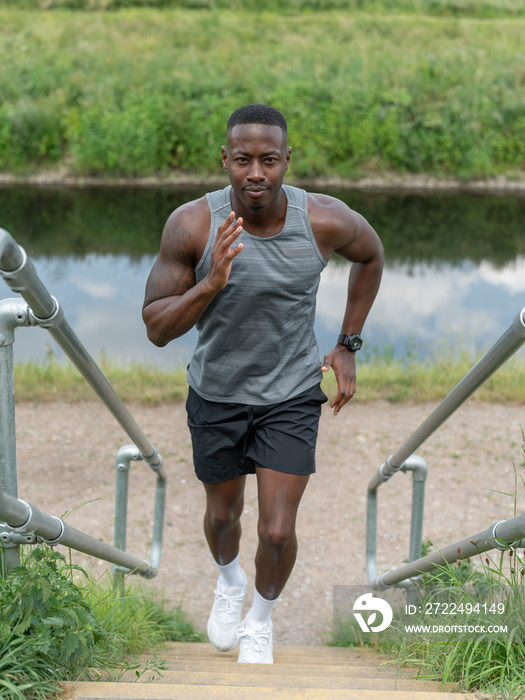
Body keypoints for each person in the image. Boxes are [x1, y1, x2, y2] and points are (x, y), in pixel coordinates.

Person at [142, 104, 384, 664]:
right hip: (217, 393)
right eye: (244, 160)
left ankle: (260, 618)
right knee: (224, 518)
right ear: (224, 159)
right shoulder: (192, 225)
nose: (256, 173)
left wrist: (348, 344)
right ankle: (228, 582)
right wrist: (211, 284)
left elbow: (370, 257)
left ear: (286, 161)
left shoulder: (323, 219)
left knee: (276, 532)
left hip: (292, 393)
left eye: (269, 160)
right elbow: (156, 328)